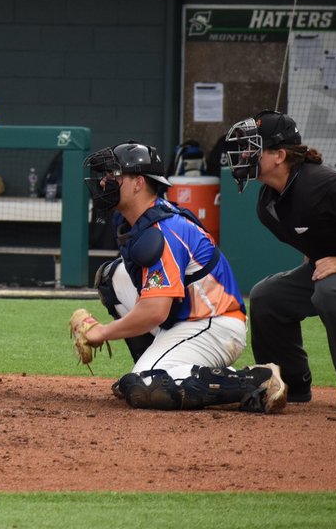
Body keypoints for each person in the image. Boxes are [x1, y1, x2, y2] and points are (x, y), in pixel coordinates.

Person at [78, 141, 287, 413]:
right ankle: (161, 368)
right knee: (112, 278)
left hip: (214, 325)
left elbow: (154, 311)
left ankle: (255, 380)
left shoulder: (162, 230)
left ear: (138, 183)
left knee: (145, 385)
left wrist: (102, 332)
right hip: (185, 318)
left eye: (114, 175)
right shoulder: (143, 220)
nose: (105, 182)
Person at [224, 109, 336, 412]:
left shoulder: (318, 182)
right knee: (268, 296)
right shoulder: (268, 202)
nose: (244, 154)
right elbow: (313, 236)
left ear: (279, 155)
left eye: (253, 148)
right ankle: (290, 381)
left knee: (332, 287)